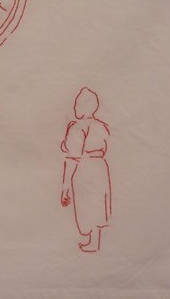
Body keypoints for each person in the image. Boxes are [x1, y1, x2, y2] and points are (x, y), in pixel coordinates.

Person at [60, 87, 112, 252]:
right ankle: (95, 241)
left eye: (77, 104)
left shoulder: (77, 127)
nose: (75, 107)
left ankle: (92, 242)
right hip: (100, 167)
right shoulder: (102, 126)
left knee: (86, 203)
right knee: (98, 203)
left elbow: (72, 157)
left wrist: (65, 187)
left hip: (85, 168)